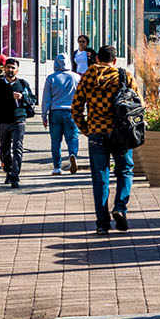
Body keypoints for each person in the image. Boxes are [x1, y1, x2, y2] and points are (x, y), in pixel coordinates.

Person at [73, 44, 133, 234]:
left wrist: (86, 128)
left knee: (100, 177)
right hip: (121, 133)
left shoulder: (87, 78)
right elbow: (138, 104)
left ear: (97, 59)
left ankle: (102, 223)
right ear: (115, 61)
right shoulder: (123, 76)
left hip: (96, 132)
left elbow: (75, 108)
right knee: (125, 170)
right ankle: (120, 207)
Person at [0, 57, 35, 188]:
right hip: (3, 120)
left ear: (17, 70)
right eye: (8, 67)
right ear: (4, 68)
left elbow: (32, 99)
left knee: (18, 148)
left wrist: (22, 97)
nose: (10, 70)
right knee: (4, 150)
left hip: (19, 120)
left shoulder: (23, 84)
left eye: (13, 68)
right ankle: (8, 169)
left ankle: (15, 176)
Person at [43, 53, 80, 174]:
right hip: (71, 112)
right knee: (73, 138)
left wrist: (44, 115)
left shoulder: (51, 78)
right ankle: (73, 155)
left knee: (55, 141)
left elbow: (46, 99)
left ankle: (57, 167)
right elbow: (81, 96)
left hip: (55, 112)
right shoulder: (76, 77)